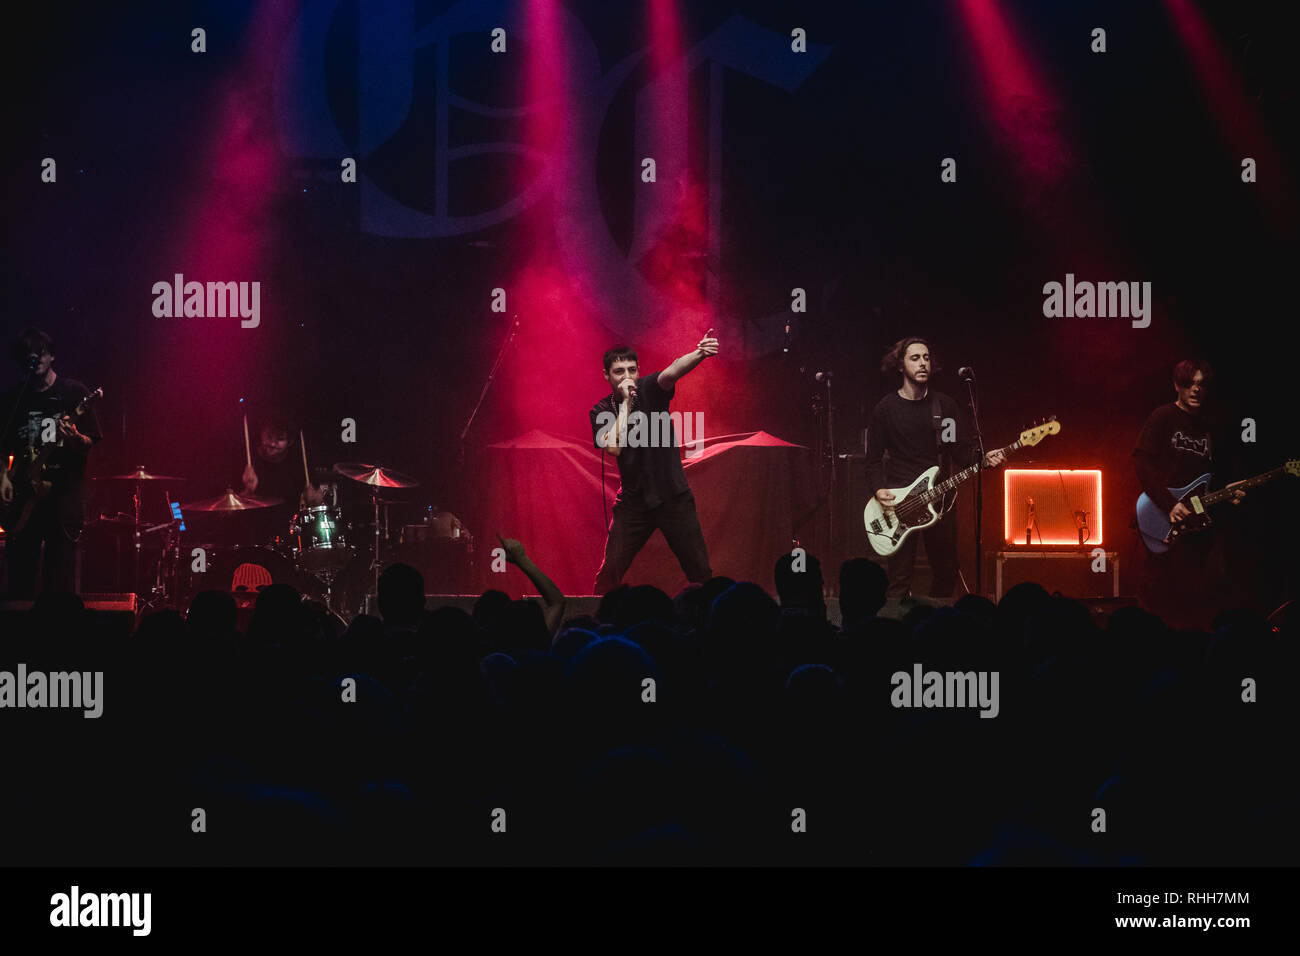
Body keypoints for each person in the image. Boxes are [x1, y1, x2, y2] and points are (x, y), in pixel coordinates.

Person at [864, 336, 1003, 602]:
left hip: (939, 501)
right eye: (915, 358)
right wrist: (879, 489)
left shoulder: (944, 406)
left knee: (946, 573)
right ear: (901, 366)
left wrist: (983, 458)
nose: (922, 363)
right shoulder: (885, 409)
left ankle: (932, 630)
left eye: (926, 358)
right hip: (899, 504)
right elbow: (872, 461)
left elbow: (959, 452)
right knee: (899, 579)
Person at [589, 333, 717, 594]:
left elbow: (671, 372)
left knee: (700, 572)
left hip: (673, 498)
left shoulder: (649, 388)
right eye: (619, 371)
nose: (627, 376)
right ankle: (597, 627)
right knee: (608, 575)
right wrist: (625, 404)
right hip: (634, 504)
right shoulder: (602, 409)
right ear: (606, 375)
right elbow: (613, 447)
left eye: (632, 370)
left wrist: (699, 354)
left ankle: (709, 628)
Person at [1133, 358, 1245, 627]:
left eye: (1202, 384)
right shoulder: (1163, 417)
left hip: (1198, 525)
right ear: (1177, 386)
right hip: (1163, 517)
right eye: (1189, 384)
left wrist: (1228, 492)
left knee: (1208, 591)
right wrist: (1169, 504)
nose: (1196, 390)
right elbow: (1141, 462)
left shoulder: (1212, 427)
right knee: (1161, 594)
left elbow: (1213, 477)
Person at [0, 328, 103, 597]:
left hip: (63, 497)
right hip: (24, 499)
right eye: (28, 355)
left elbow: (90, 442)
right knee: (19, 578)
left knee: (59, 577)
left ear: (52, 356)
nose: (34, 358)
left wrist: (75, 439)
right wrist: (4, 478)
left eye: (40, 353)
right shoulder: (15, 399)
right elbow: (2, 447)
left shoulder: (73, 392)